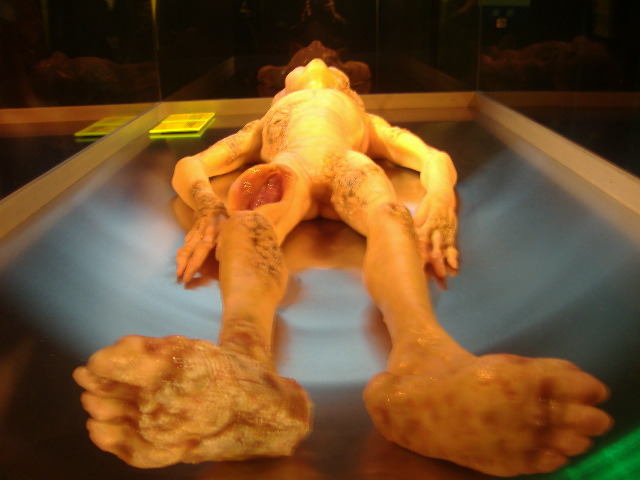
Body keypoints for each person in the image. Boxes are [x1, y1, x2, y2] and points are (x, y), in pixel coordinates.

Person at [73, 59, 611, 477]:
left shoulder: (365, 122)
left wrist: (441, 198)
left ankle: (428, 359)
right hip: (290, 166)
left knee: (389, 216)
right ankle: (241, 361)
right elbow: (191, 165)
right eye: (301, 67)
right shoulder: (268, 122)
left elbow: (431, 158)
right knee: (251, 223)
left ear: (350, 89)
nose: (316, 65)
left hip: (343, 164)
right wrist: (209, 206)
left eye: (333, 70)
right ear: (279, 89)